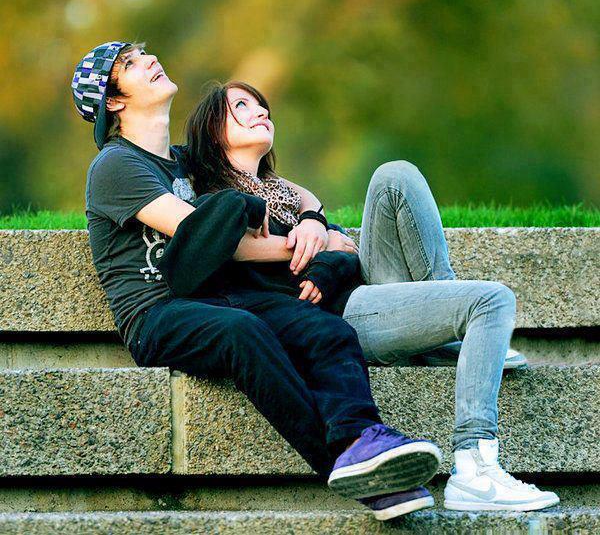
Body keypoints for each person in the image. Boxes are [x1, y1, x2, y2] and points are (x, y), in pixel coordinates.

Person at [71, 41, 443, 522]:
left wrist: (312, 218)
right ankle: (348, 466)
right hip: (156, 316)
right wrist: (287, 234)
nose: (148, 60)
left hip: (218, 297)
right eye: (129, 63)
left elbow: (280, 186)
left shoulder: (184, 161)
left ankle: (365, 436)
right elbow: (203, 235)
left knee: (325, 330)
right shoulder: (116, 165)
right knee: (243, 332)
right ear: (115, 102)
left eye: (143, 53)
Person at [183, 80, 560, 512]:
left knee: (394, 175)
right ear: (214, 131)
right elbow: (257, 260)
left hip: (362, 291)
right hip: (339, 317)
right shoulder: (219, 205)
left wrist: (320, 231)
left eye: (262, 105)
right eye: (241, 106)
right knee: (491, 301)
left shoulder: (283, 193)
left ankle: (444, 339)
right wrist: (323, 244)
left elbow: (346, 247)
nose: (261, 111)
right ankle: (474, 467)